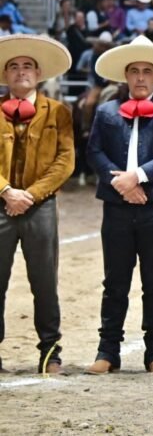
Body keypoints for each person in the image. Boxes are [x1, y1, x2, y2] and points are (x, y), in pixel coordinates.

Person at [85, 36, 153, 375]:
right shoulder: (106, 112)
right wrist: (121, 185)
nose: (140, 77)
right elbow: (95, 152)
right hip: (117, 204)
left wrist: (138, 177)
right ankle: (108, 349)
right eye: (134, 71)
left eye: (147, 71)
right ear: (125, 77)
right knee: (114, 279)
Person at [0, 35, 75, 374]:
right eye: (13, 67)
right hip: (1, 203)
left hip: (40, 204)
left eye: (27, 65)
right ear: (5, 75)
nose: (20, 72)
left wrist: (30, 193)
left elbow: (65, 161)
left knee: (44, 281)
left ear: (39, 73)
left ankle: (50, 351)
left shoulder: (58, 112)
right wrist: (6, 191)